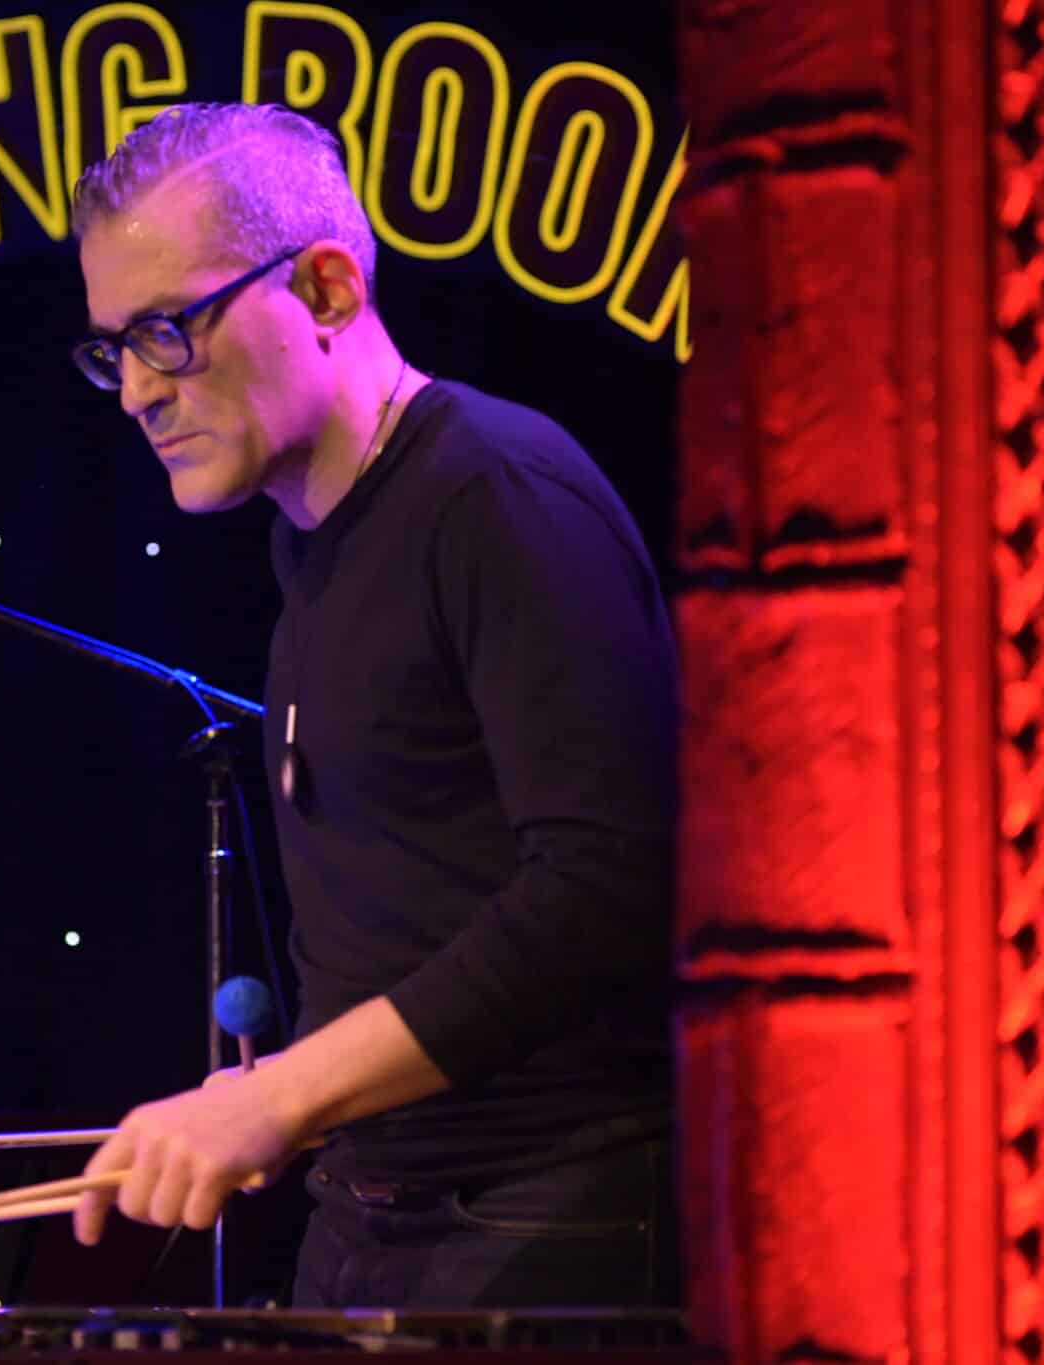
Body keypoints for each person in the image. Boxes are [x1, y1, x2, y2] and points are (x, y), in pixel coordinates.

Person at [64, 103, 681, 1309]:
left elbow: (608, 887)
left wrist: (288, 1091)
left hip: (549, 1217)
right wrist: (279, 1097)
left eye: (166, 332)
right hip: (371, 1212)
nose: (135, 391)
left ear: (327, 290)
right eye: (112, 349)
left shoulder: (495, 492)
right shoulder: (310, 540)